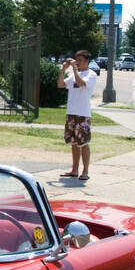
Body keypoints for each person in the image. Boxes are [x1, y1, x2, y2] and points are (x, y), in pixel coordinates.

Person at [58, 48, 97, 180]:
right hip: (71, 113)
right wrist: (63, 70)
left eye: (80, 60)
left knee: (83, 143)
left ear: (87, 61)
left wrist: (74, 68)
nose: (78, 62)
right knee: (74, 143)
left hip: (82, 114)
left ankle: (85, 171)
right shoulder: (74, 74)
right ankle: (74, 170)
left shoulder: (91, 74)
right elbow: (61, 84)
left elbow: (81, 83)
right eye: (76, 59)